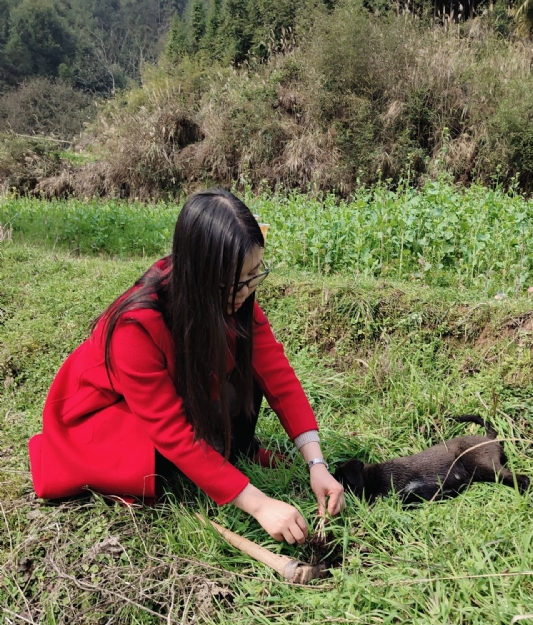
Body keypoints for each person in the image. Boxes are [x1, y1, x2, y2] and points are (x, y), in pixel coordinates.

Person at [28, 189, 344, 545]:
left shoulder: (234, 296)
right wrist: (259, 504)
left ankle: (229, 453)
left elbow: (278, 376)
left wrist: (317, 465)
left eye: (257, 274)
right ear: (203, 276)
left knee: (246, 360)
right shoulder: (135, 327)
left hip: (173, 394)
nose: (248, 290)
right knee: (161, 467)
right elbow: (173, 432)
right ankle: (216, 460)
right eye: (240, 281)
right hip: (110, 417)